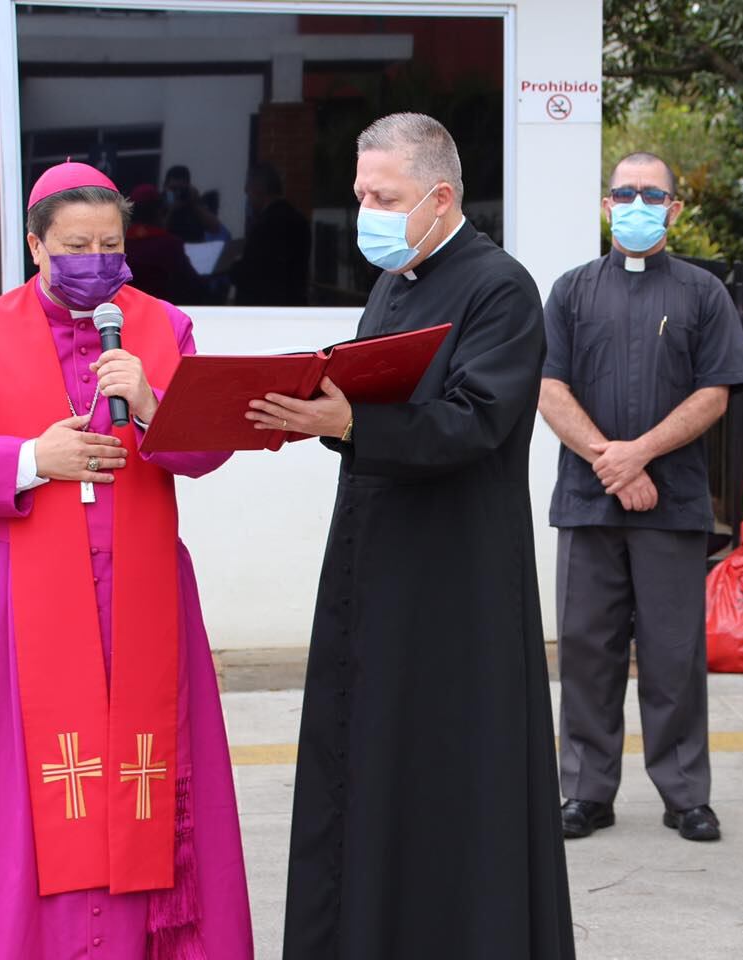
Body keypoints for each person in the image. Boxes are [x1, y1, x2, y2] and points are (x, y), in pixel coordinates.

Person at [244, 112, 574, 960]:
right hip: (376, 555)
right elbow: (373, 397)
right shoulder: (396, 282)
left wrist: (350, 420)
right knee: (369, 759)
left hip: (453, 575)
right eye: (360, 194)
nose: (366, 211)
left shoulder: (500, 285)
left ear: (439, 196)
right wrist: (319, 409)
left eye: (381, 196)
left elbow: (476, 421)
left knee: (446, 771)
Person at [0, 160, 252, 959]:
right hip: (21, 598)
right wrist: (32, 458)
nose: (97, 258)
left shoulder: (162, 326)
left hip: (143, 590)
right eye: (75, 245)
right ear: (35, 246)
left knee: (149, 780)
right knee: (26, 792)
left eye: (110, 242)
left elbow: (206, 453)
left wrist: (157, 402)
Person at [537, 152, 743, 844]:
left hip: (673, 502)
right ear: (607, 205)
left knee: (673, 655)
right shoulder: (571, 291)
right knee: (586, 652)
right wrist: (613, 462)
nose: (637, 204)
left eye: (651, 194)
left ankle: (685, 794)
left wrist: (641, 455)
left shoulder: (702, 293)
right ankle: (586, 791)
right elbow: (548, 389)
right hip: (588, 499)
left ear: (674, 208)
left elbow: (715, 392)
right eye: (625, 193)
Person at [229, 162, 310, 305]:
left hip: (263, 309)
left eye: (249, 190)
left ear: (259, 189)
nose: (247, 195)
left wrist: (233, 268)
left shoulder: (264, 225)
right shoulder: (299, 220)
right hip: (293, 305)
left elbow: (254, 272)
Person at [124, 183, 207, 305]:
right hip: (161, 313)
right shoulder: (171, 245)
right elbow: (192, 286)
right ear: (160, 211)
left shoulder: (118, 245)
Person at [161, 164, 224, 244]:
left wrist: (195, 204)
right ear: (165, 187)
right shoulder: (160, 202)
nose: (177, 193)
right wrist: (171, 210)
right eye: (173, 189)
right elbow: (158, 233)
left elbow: (215, 228)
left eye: (181, 189)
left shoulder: (193, 202)